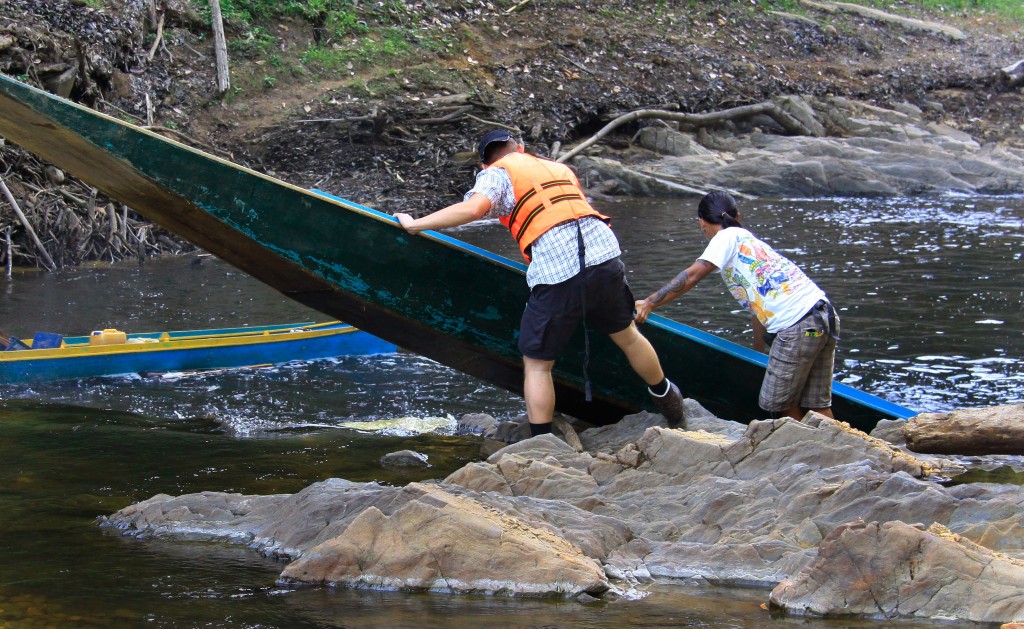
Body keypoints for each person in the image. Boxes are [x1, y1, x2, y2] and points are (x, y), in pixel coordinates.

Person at [395, 129, 685, 435]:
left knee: (537, 364)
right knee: (627, 335)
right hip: (605, 254)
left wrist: (416, 224)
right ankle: (668, 399)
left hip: (558, 269)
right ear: (520, 147)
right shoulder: (558, 168)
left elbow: (473, 209)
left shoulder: (496, 172)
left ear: (484, 164)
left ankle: (541, 439)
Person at [634, 191, 840, 421]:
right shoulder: (750, 243)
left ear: (701, 221)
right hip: (822, 322)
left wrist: (650, 302)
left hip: (800, 328)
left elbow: (692, 275)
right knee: (817, 404)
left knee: (779, 403)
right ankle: (837, 447)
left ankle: (806, 451)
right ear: (737, 215)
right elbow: (758, 307)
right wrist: (756, 354)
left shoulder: (725, 238)